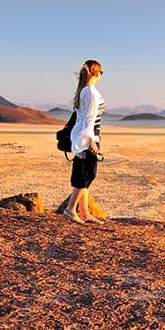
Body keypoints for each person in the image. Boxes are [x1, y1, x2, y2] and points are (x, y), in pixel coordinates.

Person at [63, 60, 106, 224]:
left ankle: (84, 212)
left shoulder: (83, 91)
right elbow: (90, 119)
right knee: (87, 174)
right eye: (101, 72)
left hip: (84, 136)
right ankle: (70, 209)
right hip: (88, 138)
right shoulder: (90, 92)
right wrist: (92, 142)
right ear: (96, 73)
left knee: (84, 174)